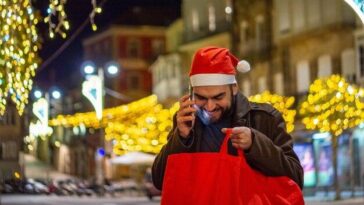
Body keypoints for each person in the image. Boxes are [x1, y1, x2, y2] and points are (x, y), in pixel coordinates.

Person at [152, 46, 304, 191]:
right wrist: (180, 138)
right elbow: (160, 181)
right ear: (191, 93)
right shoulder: (186, 120)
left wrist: (255, 144)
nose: (210, 106)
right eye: (201, 98)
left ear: (234, 88)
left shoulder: (264, 118)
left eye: (218, 97)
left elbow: (295, 178)